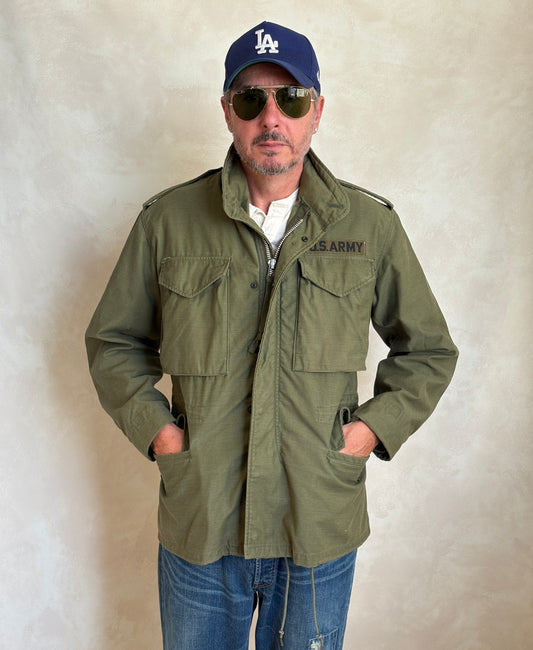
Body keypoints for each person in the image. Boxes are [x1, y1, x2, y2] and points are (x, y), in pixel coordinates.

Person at [86, 21, 458, 650]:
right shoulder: (168, 222)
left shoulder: (368, 226)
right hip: (203, 520)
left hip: (316, 520)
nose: (271, 118)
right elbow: (113, 343)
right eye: (251, 99)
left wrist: (366, 435)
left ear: (317, 111)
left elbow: (428, 351)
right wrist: (163, 436)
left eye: (291, 98)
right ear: (227, 111)